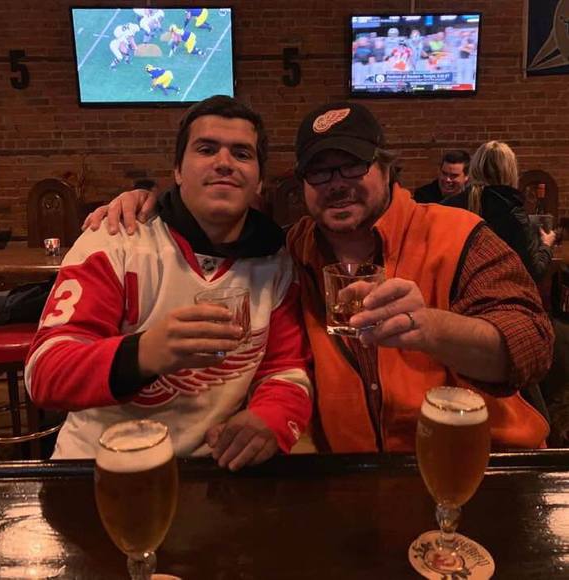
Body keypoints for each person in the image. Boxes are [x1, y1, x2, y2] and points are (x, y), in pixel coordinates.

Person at [85, 102, 554, 453]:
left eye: (352, 164)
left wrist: (430, 327)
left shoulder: (459, 233)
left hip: (484, 464)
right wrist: (150, 206)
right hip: (348, 481)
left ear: (386, 168)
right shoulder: (288, 251)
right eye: (319, 171)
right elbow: (279, 365)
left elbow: (532, 346)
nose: (336, 182)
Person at [25, 96, 312, 469]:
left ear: (258, 181)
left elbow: (284, 369)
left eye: (242, 154)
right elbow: (45, 373)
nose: (224, 162)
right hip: (102, 468)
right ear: (177, 170)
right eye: (206, 149)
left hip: (214, 469)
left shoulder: (275, 261)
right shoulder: (116, 239)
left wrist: (269, 419)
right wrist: (145, 353)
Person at [442, 140, 555, 283]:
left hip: (455, 291)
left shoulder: (448, 207)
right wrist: (546, 245)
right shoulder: (513, 212)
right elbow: (534, 272)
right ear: (510, 171)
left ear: (475, 168)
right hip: (500, 292)